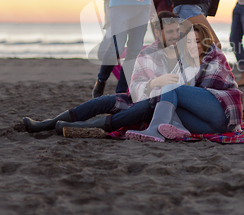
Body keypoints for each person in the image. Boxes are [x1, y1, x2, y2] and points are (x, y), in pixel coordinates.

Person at [22, 11, 185, 134]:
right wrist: (153, 83)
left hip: (159, 107)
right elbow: (135, 87)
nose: (175, 36)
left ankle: (80, 127)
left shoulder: (185, 54)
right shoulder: (145, 54)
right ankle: (48, 123)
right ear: (158, 32)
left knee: (142, 107)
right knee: (103, 101)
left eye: (177, 31)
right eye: (170, 32)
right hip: (137, 98)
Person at [125, 23, 243, 142]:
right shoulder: (184, 64)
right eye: (188, 42)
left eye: (196, 41)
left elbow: (201, 91)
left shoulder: (215, 57)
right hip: (206, 126)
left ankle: (154, 131)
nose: (192, 46)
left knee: (171, 88)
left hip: (222, 115)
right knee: (168, 103)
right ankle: (180, 129)